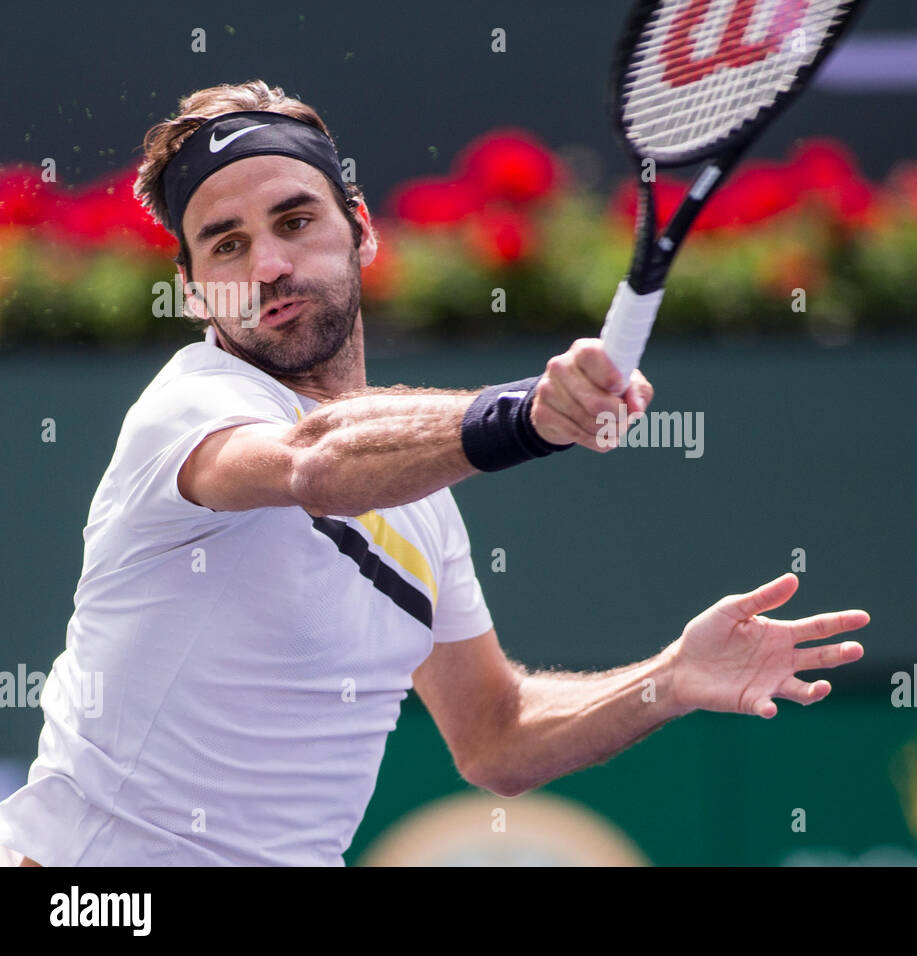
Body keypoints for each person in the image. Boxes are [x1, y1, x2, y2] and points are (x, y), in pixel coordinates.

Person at [0, 81, 868, 866]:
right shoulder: (187, 408)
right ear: (193, 292)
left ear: (363, 231)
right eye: (227, 247)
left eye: (295, 222)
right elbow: (314, 460)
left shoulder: (422, 511)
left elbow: (497, 738)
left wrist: (669, 679)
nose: (268, 266)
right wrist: (524, 417)